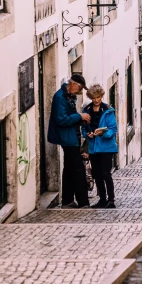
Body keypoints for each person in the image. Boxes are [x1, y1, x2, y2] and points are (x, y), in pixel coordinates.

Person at [48, 74, 91, 209]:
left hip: (71, 136)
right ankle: (83, 202)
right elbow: (61, 119)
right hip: (68, 138)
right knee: (78, 170)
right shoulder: (60, 97)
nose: (79, 91)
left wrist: (80, 119)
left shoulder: (68, 96)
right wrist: (79, 116)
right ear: (72, 84)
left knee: (69, 170)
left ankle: (67, 200)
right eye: (79, 88)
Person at [81, 84, 118, 208]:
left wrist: (103, 133)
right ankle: (102, 199)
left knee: (106, 173)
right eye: (94, 98)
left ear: (102, 96)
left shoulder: (108, 111)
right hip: (93, 147)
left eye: (98, 97)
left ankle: (111, 200)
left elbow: (113, 129)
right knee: (97, 174)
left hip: (107, 147)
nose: (96, 100)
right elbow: (84, 128)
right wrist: (88, 135)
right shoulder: (87, 110)